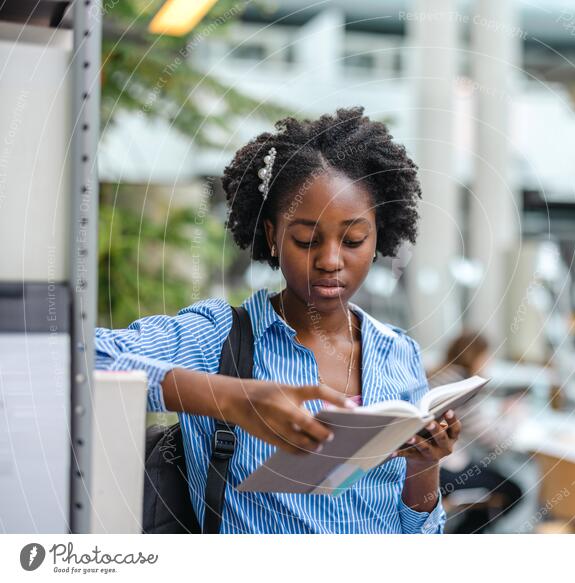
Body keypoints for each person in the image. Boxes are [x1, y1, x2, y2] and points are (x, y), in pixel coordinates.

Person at [95, 107, 461, 534]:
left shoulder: (397, 353)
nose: (329, 261)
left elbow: (418, 538)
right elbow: (82, 358)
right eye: (306, 239)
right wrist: (230, 399)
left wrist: (425, 466)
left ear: (379, 236)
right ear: (272, 234)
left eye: (354, 240)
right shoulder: (218, 337)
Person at [428, 331, 523, 533]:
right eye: (488, 356)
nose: (489, 362)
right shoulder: (462, 385)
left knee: (488, 478)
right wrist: (513, 416)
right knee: (513, 490)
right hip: (444, 470)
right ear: (477, 356)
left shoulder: (440, 375)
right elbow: (494, 440)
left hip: (429, 465)